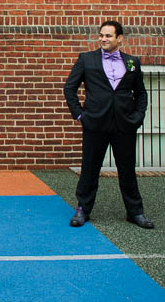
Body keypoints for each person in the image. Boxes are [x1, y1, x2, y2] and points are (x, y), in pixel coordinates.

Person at [63, 20, 154, 229]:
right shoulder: (87, 59)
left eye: (108, 36)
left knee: (127, 169)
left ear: (119, 39)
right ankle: (82, 210)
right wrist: (80, 116)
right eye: (101, 35)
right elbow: (70, 88)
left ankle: (135, 212)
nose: (103, 39)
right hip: (95, 124)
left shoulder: (132, 62)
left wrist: (137, 117)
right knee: (89, 169)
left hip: (124, 125)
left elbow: (141, 93)